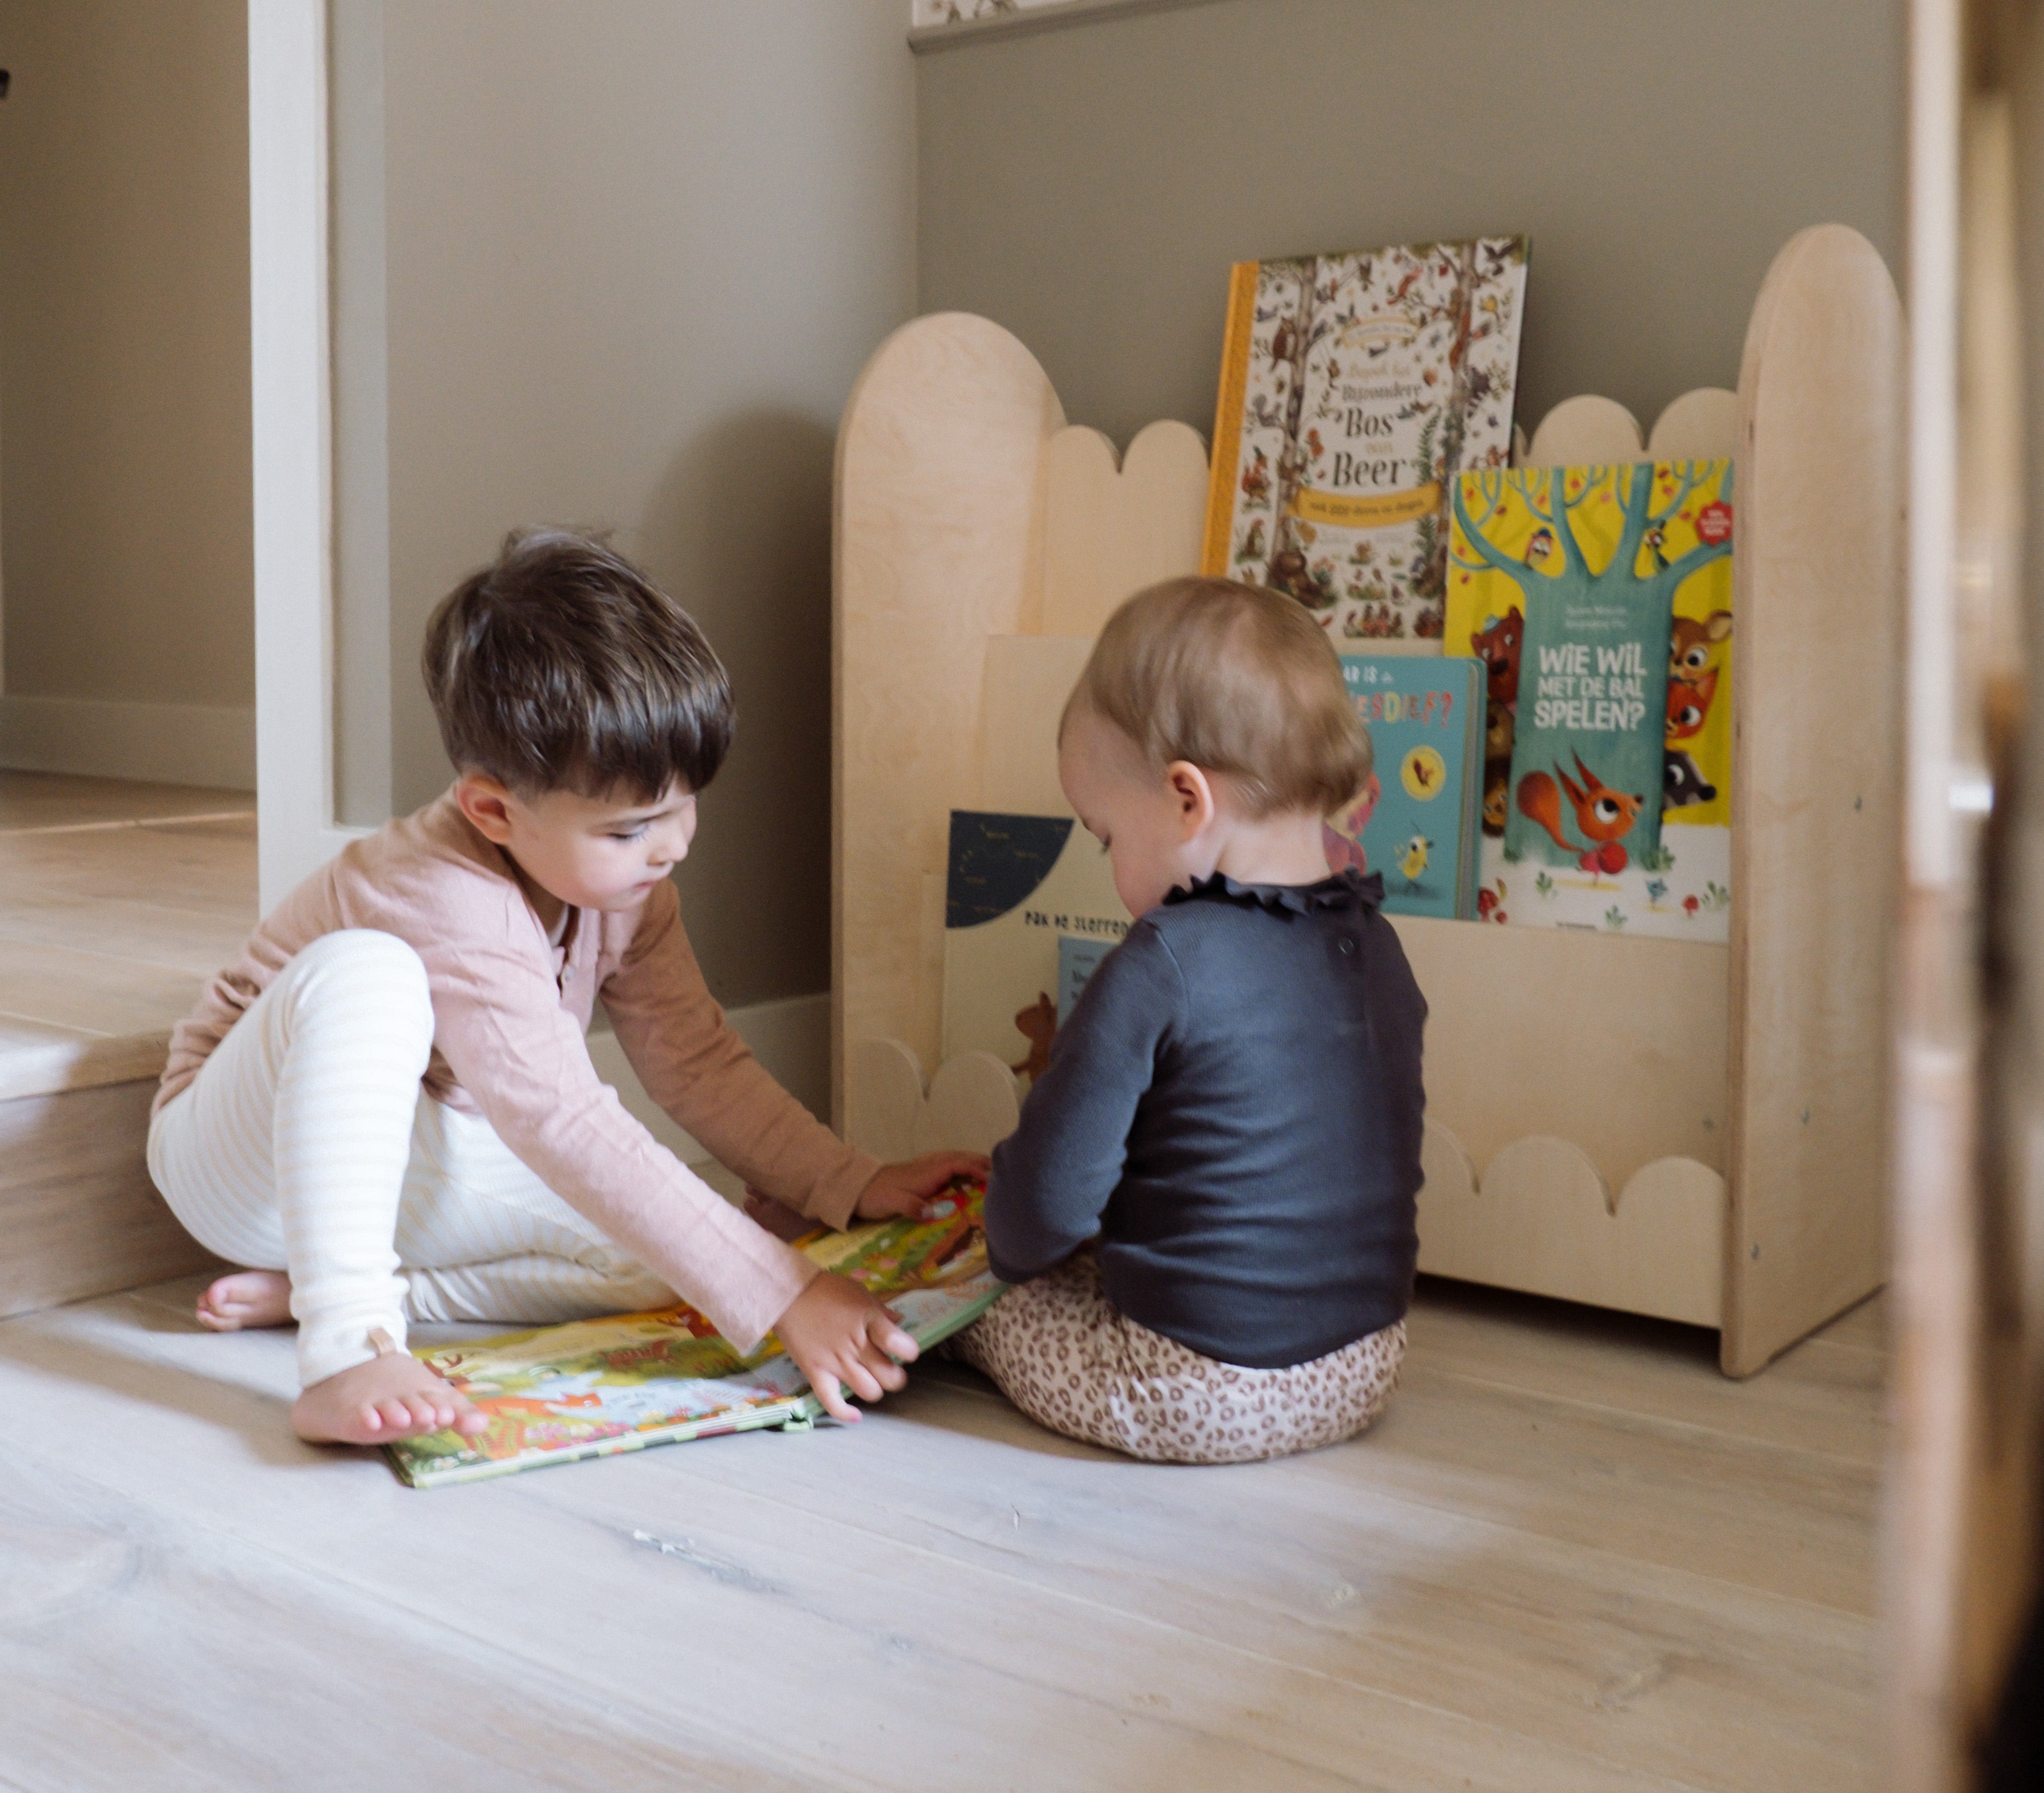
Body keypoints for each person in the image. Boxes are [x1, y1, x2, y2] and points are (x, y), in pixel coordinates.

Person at [151, 530, 983, 1445]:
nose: (672, 847)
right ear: (493, 810)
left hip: (421, 1160)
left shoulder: (628, 889)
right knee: (371, 973)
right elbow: (562, 1121)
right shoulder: (436, 889)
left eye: (683, 807)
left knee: (679, 1262)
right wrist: (787, 1294)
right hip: (242, 1157)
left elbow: (698, 1062)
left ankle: (356, 1286)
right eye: (633, 828)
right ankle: (347, 1344)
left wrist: (842, 1180)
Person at [954, 576, 1425, 1464]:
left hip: (1197, 1390)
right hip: (1366, 1365)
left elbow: (1041, 1215)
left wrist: (997, 1246)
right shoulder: (1379, 943)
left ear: (1185, 800)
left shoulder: (1162, 960)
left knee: (973, 1297)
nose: (1108, 865)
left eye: (1104, 836)